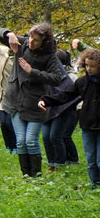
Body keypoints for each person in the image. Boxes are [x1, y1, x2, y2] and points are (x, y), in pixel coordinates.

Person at [0, 23, 66, 177]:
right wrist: (9, 33)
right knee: (20, 141)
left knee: (31, 141)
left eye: (36, 40)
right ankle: (26, 175)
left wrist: (32, 71)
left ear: (44, 42)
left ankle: (36, 175)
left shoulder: (50, 56)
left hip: (35, 103)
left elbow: (57, 79)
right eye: (31, 38)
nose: (31, 42)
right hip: (15, 99)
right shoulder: (22, 42)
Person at [40, 48, 100, 188]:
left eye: (92, 66)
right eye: (86, 65)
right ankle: (94, 185)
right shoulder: (82, 82)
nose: (89, 69)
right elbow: (65, 95)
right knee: (91, 160)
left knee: (99, 161)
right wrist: (47, 101)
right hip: (87, 125)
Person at [41, 50, 80, 170]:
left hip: (66, 109)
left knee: (59, 136)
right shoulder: (48, 74)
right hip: (50, 107)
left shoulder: (71, 77)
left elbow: (72, 95)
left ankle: (65, 161)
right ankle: (52, 162)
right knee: (47, 136)